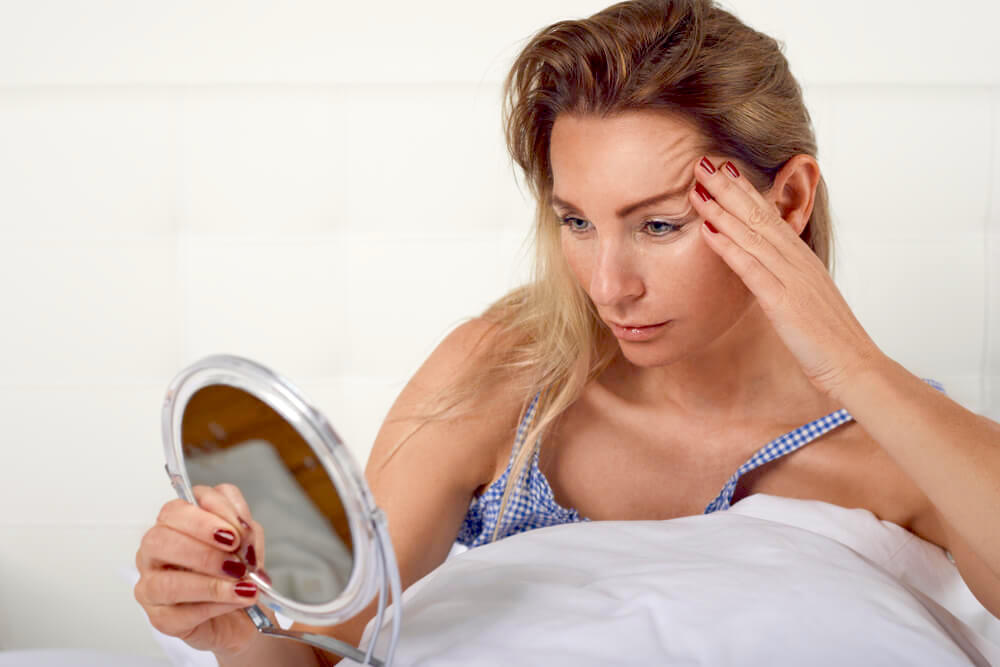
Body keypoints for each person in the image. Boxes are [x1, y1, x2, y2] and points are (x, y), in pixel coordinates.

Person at [133, 0, 1000, 664]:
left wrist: (851, 363)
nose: (608, 285)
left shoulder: (894, 445)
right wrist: (231, 628)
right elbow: (326, 644)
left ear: (789, 200)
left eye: (659, 225)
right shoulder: (504, 375)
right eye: (577, 222)